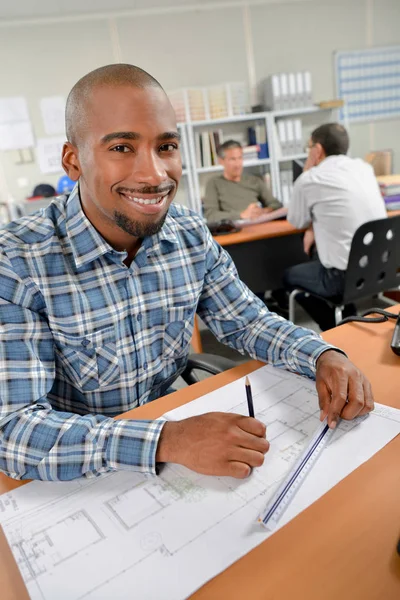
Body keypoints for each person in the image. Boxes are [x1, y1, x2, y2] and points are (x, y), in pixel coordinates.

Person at [0, 65, 374, 484]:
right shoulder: (17, 261)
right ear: (74, 161)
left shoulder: (189, 233)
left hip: (169, 454)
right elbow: (12, 431)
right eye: (122, 147)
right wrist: (166, 440)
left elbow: (247, 320)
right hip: (78, 469)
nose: (155, 175)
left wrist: (321, 355)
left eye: (166, 146)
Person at [284, 123, 387, 331]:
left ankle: (339, 329)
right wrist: (314, 228)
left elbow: (296, 221)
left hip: (344, 279)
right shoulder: (363, 168)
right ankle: (351, 320)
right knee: (326, 254)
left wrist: (305, 171)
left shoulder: (311, 178)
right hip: (382, 268)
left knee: (289, 277)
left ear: (318, 150)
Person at [203, 140, 281, 223]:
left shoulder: (254, 180)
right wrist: (241, 215)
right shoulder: (214, 183)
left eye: (240, 158)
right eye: (232, 159)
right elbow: (211, 216)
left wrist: (264, 211)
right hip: (234, 229)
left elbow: (276, 205)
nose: (237, 164)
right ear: (221, 161)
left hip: (259, 224)